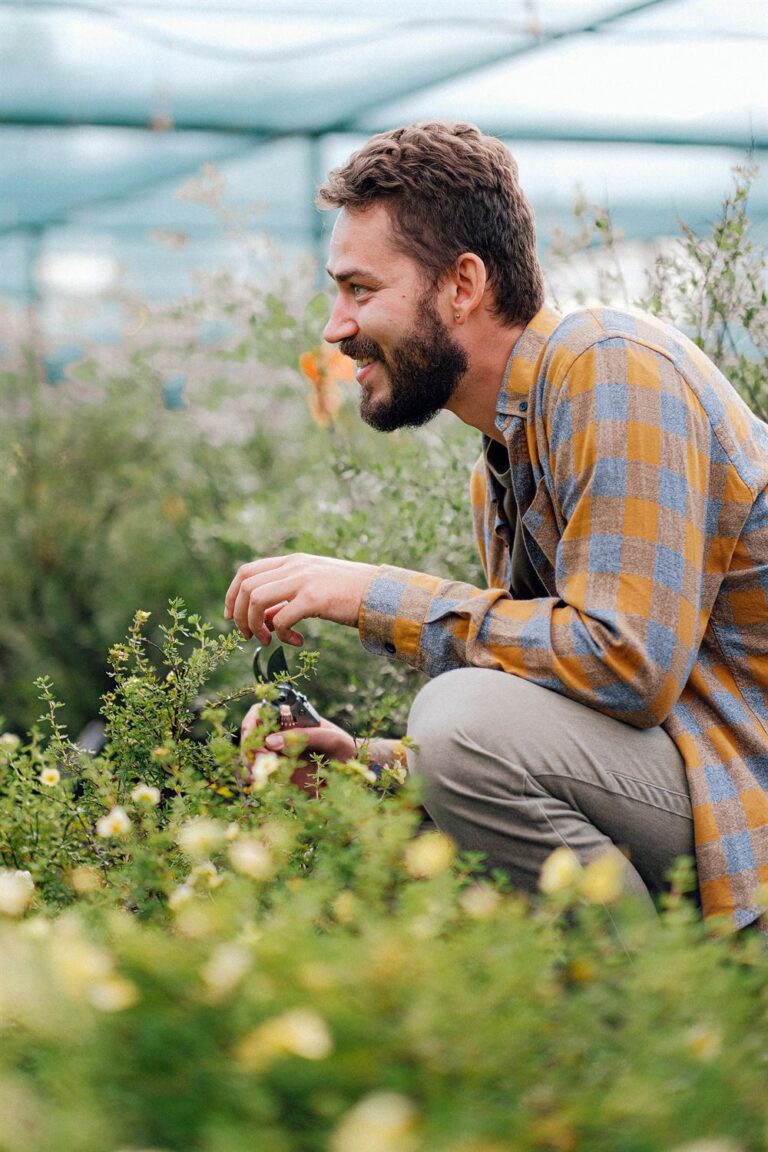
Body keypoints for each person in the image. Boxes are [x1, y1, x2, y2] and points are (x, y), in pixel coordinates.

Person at [225, 122, 768, 932]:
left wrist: (373, 593)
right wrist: (367, 770)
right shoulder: (504, 460)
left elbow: (626, 666)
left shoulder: (610, 366)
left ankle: (645, 1028)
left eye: (360, 290)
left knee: (461, 716)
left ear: (462, 284)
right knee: (460, 724)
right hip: (710, 792)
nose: (335, 327)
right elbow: (545, 740)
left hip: (745, 798)